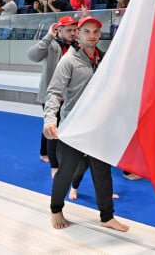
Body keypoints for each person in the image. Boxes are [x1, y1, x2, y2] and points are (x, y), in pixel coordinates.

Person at [43, 16, 129, 231]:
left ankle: (107, 216)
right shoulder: (69, 60)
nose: (92, 36)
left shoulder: (105, 59)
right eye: (87, 31)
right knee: (67, 172)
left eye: (96, 32)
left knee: (102, 171)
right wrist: (50, 120)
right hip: (74, 126)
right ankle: (55, 209)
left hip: (99, 126)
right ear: (78, 35)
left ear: (100, 34)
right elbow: (54, 92)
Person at [28, 16, 78, 177]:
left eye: (74, 30)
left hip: (69, 96)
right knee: (52, 126)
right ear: (59, 30)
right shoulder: (51, 45)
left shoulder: (77, 47)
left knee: (55, 125)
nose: (72, 33)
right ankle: (50, 158)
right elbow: (32, 56)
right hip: (52, 95)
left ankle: (46, 152)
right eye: (68, 30)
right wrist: (49, 35)